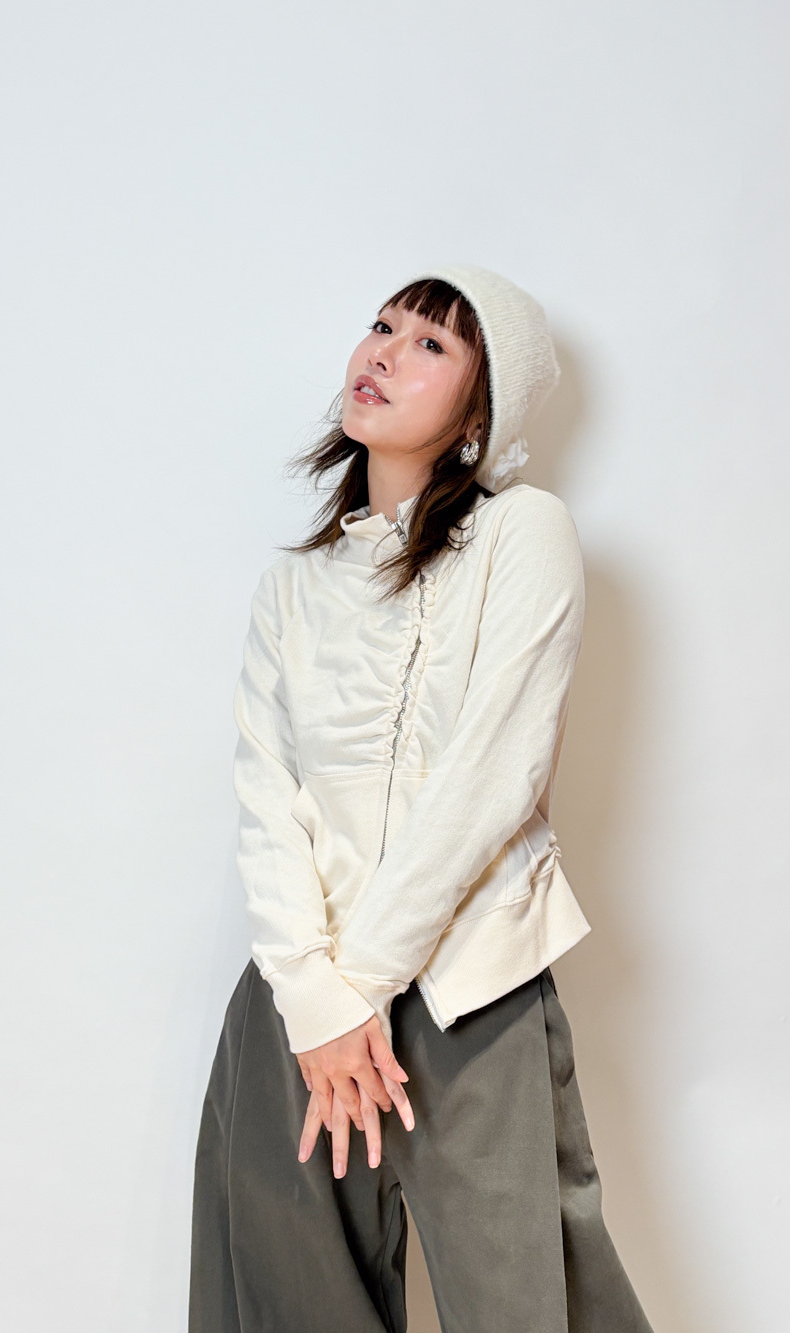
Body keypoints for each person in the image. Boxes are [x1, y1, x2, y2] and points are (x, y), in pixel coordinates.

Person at [189, 263, 655, 1331]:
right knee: (285, 1301)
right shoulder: (291, 587)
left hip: (468, 992)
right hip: (298, 1005)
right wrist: (316, 999)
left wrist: (359, 985)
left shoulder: (524, 533)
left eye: (432, 343)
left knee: (526, 1299)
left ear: (482, 411)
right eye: (382, 326)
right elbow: (266, 794)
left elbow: (495, 776)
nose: (385, 353)